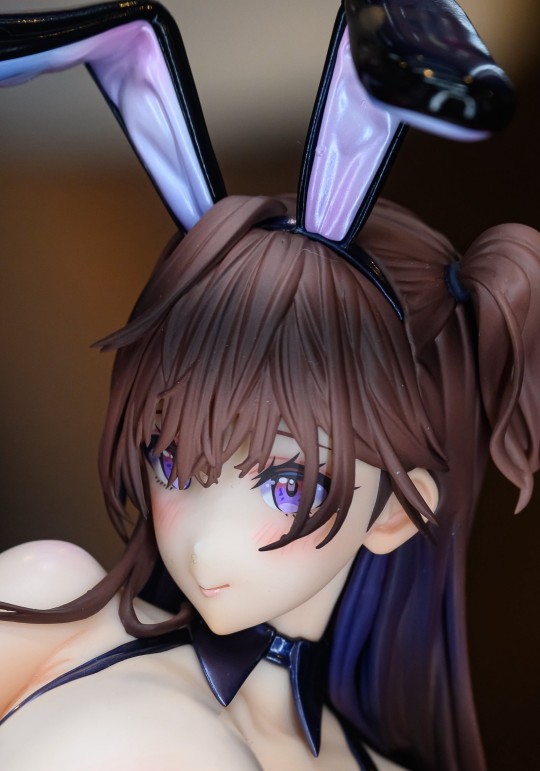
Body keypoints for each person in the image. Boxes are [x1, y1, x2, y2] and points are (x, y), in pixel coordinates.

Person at [1, 191, 539, 770]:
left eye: (288, 487)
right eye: (172, 458)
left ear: (394, 515)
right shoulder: (51, 607)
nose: (205, 544)